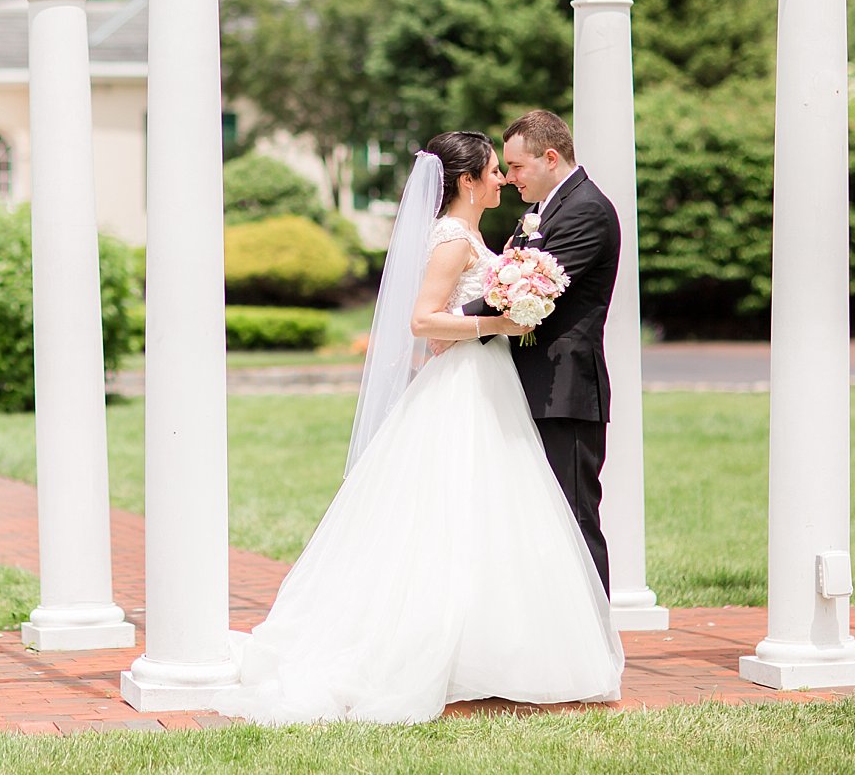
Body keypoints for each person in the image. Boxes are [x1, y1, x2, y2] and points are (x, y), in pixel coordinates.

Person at [212, 130, 622, 726]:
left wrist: (501, 315)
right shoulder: (453, 239)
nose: (503, 179)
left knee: (492, 521)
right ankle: (441, 653)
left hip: (491, 386)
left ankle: (495, 651)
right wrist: (501, 323)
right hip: (467, 386)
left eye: (509, 168)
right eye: (493, 170)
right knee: (448, 518)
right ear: (467, 182)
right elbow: (422, 321)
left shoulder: (485, 235)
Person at [463, 109, 619, 598]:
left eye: (517, 168)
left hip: (565, 390)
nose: (509, 180)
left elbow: (532, 288)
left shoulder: (586, 210)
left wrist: (453, 321)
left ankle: (594, 641)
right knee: (535, 518)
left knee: (572, 515)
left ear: (551, 158)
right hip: (527, 384)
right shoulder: (546, 209)